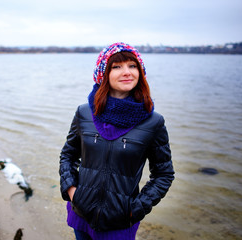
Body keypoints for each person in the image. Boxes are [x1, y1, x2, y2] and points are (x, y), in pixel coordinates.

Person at [59, 42, 175, 240]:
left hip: (120, 224)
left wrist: (135, 209)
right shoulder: (84, 113)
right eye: (117, 67)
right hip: (80, 214)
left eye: (132, 66)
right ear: (103, 73)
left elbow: (164, 174)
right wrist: (72, 192)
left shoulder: (153, 121)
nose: (127, 72)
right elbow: (68, 156)